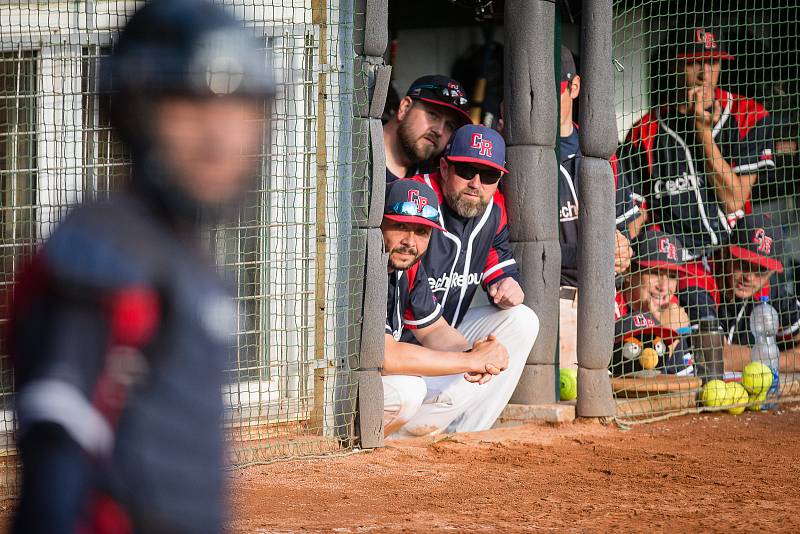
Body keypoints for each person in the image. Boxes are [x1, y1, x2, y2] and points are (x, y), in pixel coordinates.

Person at [9, 1, 273, 532]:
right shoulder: (103, 251)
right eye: (189, 106)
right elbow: (56, 460)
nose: (220, 137)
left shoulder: (187, 256)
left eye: (239, 108)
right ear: (131, 110)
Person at [397, 124, 539, 435]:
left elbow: (499, 265)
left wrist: (507, 285)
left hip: (442, 332)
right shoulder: (414, 200)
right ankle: (410, 433)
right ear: (445, 167)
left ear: (499, 180)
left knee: (522, 321)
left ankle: (466, 436)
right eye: (466, 170)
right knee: (408, 393)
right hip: (397, 344)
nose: (476, 183)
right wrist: (470, 357)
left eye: (488, 176)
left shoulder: (494, 211)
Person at [619, 26, 775, 256]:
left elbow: (734, 201)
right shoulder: (644, 132)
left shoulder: (749, 114)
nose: (705, 74)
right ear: (673, 65)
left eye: (713, 62)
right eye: (695, 62)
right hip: (679, 262)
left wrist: (702, 131)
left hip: (736, 254)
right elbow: (636, 216)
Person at [380, 179, 513, 437]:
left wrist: (476, 356)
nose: (410, 241)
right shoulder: (366, 264)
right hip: (338, 392)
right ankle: (365, 443)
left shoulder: (409, 267)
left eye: (421, 232)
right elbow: (387, 357)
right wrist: (469, 359)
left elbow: (434, 330)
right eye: (399, 226)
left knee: (458, 378)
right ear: (380, 223)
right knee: (410, 390)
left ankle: (447, 437)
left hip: (375, 384)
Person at [557, 45, 638, 369]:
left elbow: (625, 222)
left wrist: (621, 245)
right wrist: (596, 252)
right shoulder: (522, 156)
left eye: (558, 89)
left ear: (574, 87)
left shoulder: (598, 150)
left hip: (602, 295)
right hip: (555, 295)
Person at [696, 214, 800, 373]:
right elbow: (715, 356)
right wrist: (779, 359)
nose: (749, 277)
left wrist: (766, 360)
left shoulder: (768, 288)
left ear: (772, 272)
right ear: (725, 253)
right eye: (744, 263)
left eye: (760, 270)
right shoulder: (699, 278)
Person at [383, 75, 473, 182]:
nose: (439, 131)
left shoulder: (433, 183)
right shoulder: (359, 145)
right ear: (405, 108)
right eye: (433, 115)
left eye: (450, 126)